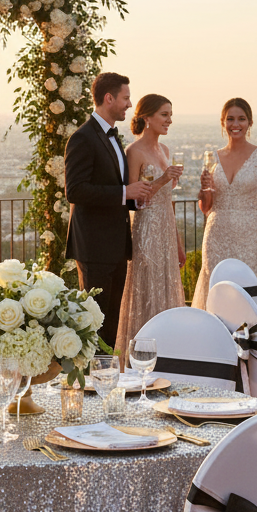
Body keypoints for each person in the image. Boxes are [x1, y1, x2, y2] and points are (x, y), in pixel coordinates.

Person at [190, 98, 257, 349]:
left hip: (249, 235)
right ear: (223, 123)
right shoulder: (212, 158)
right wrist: (204, 190)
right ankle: (214, 350)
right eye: (230, 119)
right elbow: (206, 207)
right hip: (217, 234)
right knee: (216, 290)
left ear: (250, 122)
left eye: (241, 119)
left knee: (251, 290)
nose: (236, 124)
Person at [65, 72, 153, 348]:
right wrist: (125, 192)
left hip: (116, 245)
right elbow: (75, 191)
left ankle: (105, 381)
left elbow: (115, 188)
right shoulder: (83, 138)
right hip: (94, 247)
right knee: (94, 324)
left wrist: (132, 200)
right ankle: (91, 382)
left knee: (111, 323)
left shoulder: (115, 138)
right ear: (109, 98)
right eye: (126, 98)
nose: (129, 104)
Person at [115, 94, 186, 358]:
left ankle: (168, 352)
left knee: (167, 289)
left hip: (166, 231)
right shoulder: (134, 152)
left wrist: (178, 244)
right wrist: (163, 179)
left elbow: (168, 203)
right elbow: (135, 199)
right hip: (146, 231)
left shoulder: (164, 151)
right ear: (147, 117)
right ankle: (142, 356)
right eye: (164, 115)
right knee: (147, 289)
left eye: (170, 114)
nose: (169, 120)